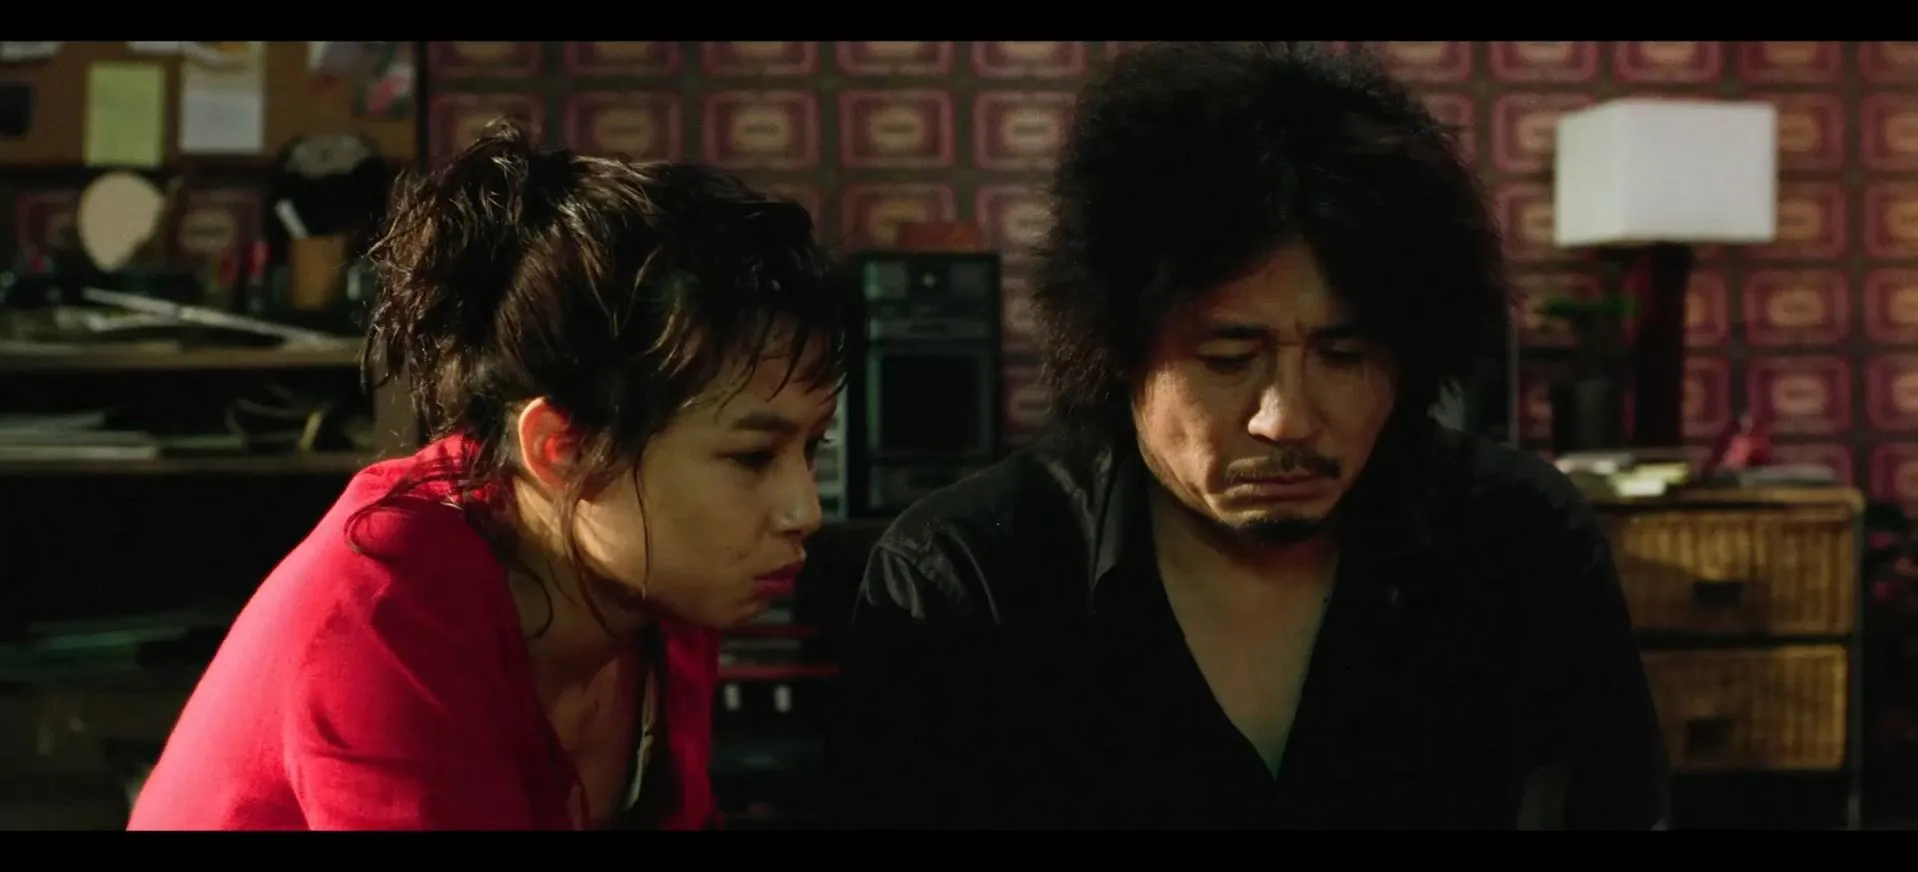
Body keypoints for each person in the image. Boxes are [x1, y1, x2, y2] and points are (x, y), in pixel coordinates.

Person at [822, 42, 1668, 830]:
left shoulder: (1518, 540)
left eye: (1343, 355)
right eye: (1229, 358)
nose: (1286, 418)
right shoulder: (967, 575)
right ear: (1118, 353)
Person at [129, 121, 849, 830]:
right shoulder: (386, 611)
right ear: (562, 448)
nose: (803, 510)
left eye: (812, 447)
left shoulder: (660, 578)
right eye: (752, 457)